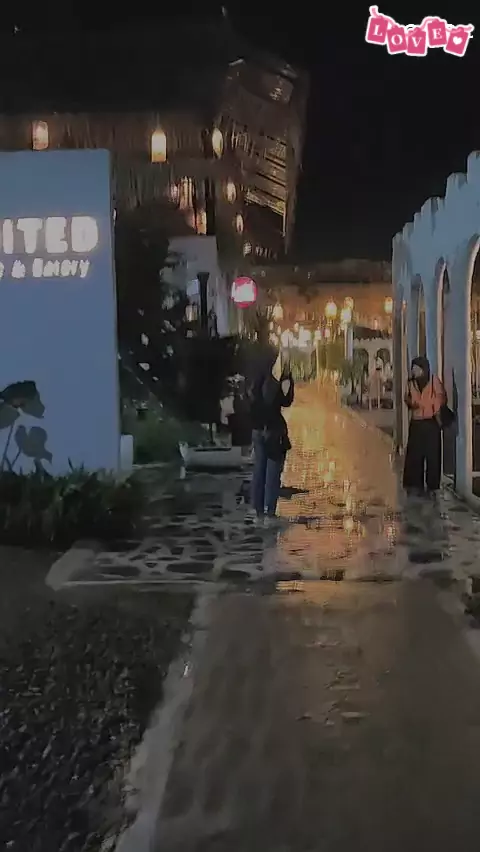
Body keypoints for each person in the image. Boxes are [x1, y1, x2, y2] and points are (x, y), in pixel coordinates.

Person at [249, 350, 294, 526]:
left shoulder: (255, 381)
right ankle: (270, 512)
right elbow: (286, 401)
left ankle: (258, 511)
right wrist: (288, 377)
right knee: (272, 473)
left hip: (257, 430)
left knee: (259, 470)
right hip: (273, 431)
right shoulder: (273, 382)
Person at [403, 355, 446, 496]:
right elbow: (406, 397)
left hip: (431, 422)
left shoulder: (434, 381)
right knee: (415, 455)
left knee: (433, 455)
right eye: (413, 368)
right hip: (416, 422)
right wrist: (411, 403)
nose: (413, 371)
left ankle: (433, 485)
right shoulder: (410, 383)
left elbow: (440, 397)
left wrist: (430, 406)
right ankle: (415, 484)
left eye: (416, 369)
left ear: (423, 369)